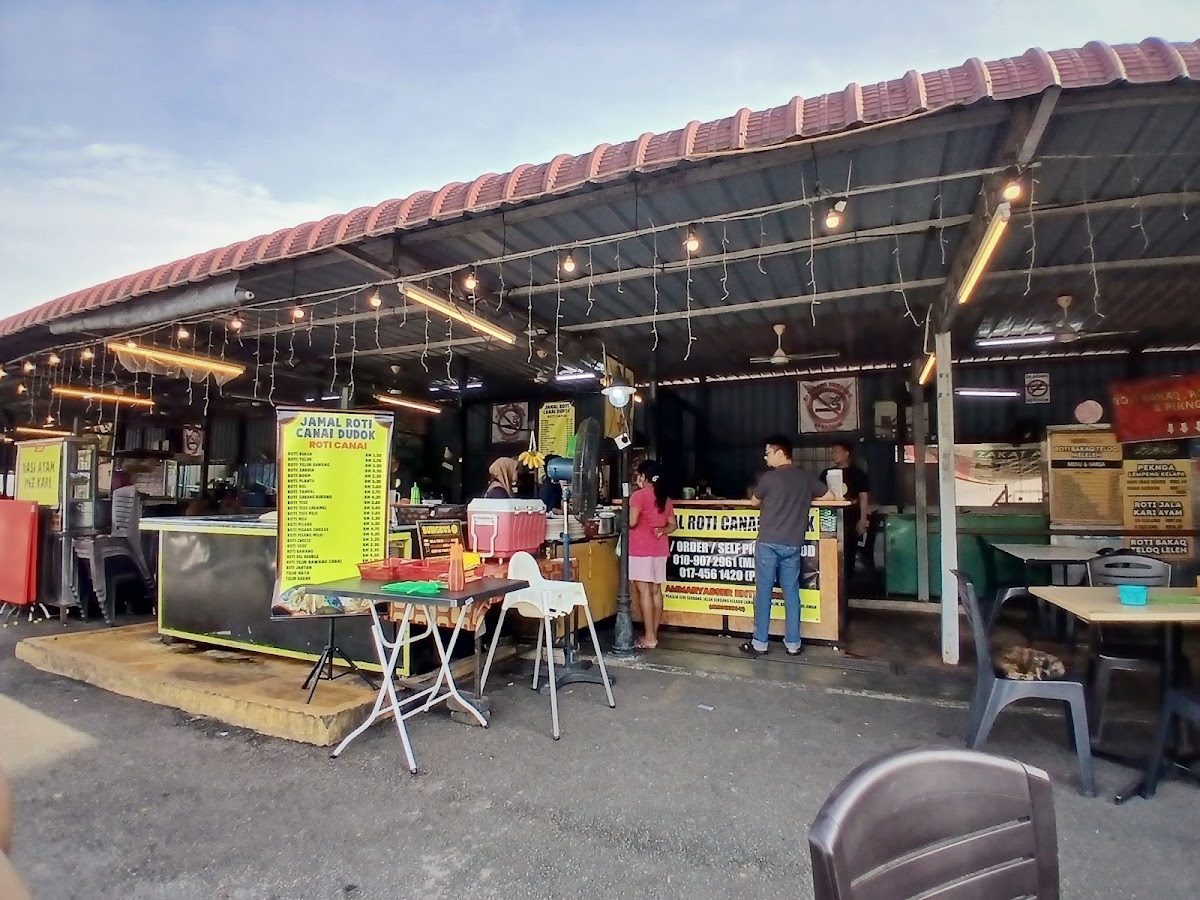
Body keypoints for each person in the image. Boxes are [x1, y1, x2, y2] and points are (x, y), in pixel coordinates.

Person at [742, 434, 833, 658]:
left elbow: (754, 502)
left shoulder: (769, 479)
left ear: (780, 453)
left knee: (764, 593)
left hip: (768, 543)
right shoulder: (805, 478)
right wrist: (805, 499)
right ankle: (793, 644)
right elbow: (830, 496)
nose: (765, 458)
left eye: (768, 453)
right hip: (793, 544)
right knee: (791, 593)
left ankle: (760, 643)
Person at [628, 459, 675, 650]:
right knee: (656, 591)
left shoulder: (639, 496)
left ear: (643, 476)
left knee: (644, 592)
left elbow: (631, 522)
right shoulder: (665, 497)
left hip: (640, 549)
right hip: (659, 549)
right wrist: (662, 531)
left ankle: (649, 638)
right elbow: (672, 524)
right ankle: (652, 635)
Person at [820, 440, 871, 589]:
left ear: (846, 453)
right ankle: (831, 587)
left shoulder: (858, 474)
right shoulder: (826, 474)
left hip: (851, 518)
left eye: (836, 451)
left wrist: (863, 519)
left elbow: (863, 498)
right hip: (830, 519)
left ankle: (846, 587)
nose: (833, 455)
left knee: (849, 552)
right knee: (829, 553)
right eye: (832, 452)